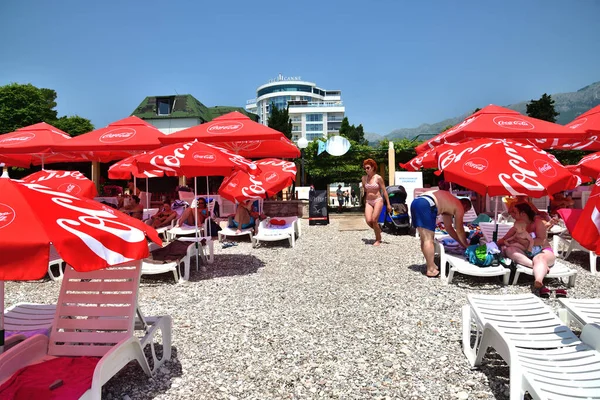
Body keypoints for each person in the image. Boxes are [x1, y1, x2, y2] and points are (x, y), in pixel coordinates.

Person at [410, 190, 472, 277]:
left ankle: (430, 264)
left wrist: (460, 242)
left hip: (417, 202)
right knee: (428, 239)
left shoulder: (449, 204)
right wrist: (466, 245)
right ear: (465, 205)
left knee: (424, 238)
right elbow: (460, 230)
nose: (464, 213)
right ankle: (431, 269)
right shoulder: (459, 206)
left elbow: (449, 228)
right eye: (466, 210)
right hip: (427, 204)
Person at [497, 202, 555, 290]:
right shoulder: (517, 225)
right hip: (526, 252)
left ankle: (538, 280)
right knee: (509, 250)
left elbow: (541, 241)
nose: (512, 215)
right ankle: (536, 266)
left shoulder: (538, 223)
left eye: (515, 212)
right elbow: (504, 239)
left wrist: (523, 242)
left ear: (523, 214)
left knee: (539, 258)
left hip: (542, 250)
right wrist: (491, 245)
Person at [362, 159, 392, 247]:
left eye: (368, 168)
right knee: (368, 220)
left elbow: (384, 191)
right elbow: (365, 191)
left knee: (374, 219)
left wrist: (388, 204)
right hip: (368, 201)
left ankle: (378, 239)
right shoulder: (364, 178)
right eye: (365, 168)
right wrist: (364, 200)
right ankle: (378, 229)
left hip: (378, 200)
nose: (366, 170)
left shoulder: (378, 178)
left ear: (373, 167)